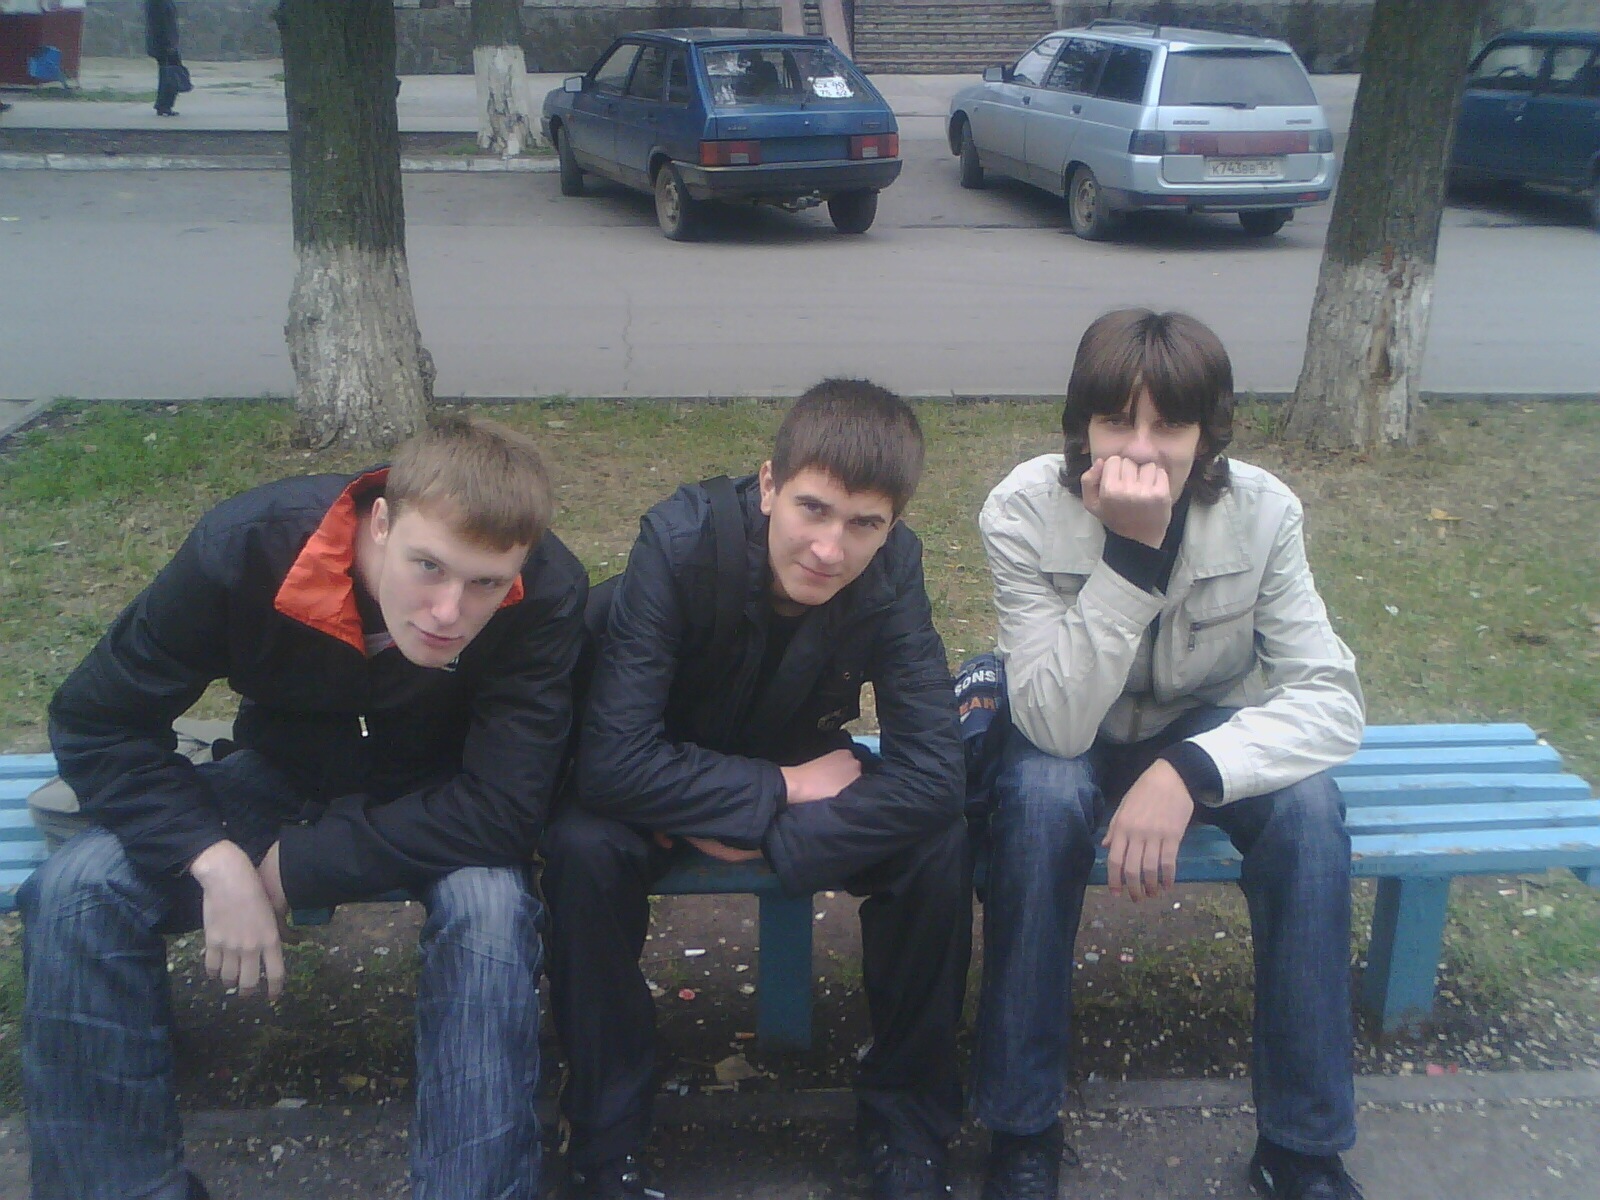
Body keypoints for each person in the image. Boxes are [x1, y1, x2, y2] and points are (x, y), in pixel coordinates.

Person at [20, 416, 587, 1200]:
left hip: (444, 799)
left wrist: (302, 865)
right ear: (380, 522)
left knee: (490, 912)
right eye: (427, 567)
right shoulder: (249, 548)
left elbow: (502, 808)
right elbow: (97, 720)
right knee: (78, 889)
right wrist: (210, 856)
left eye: (485, 583)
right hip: (282, 772)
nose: (448, 611)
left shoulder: (547, 588)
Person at [972, 310, 1366, 1200]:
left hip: (1199, 729)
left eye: (1171, 425)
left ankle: (1301, 1149)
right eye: (1117, 421)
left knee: (1310, 814)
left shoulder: (1264, 513)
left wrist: (1188, 771)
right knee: (1038, 803)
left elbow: (1331, 700)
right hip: (1071, 723)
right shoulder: (1023, 509)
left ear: (1208, 435)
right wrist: (1130, 559)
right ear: (1081, 426)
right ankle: (1021, 1130)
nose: (1142, 449)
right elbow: (1052, 722)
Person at [544, 380, 970, 1200]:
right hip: (662, 762)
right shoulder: (679, 540)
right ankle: (605, 1137)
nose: (830, 549)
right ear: (770, 484)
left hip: (766, 781)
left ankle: (908, 1127)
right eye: (813, 508)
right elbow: (613, 760)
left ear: (892, 526)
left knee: (936, 844)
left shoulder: (894, 570)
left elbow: (935, 775)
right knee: (582, 847)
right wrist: (778, 786)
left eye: (864, 524)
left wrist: (767, 826)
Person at [145, 0, 184, 116]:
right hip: (164, 43)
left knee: (167, 73)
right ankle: (164, 104)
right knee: (168, 74)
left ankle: (164, 104)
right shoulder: (159, 3)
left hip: (165, 42)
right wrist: (169, 43)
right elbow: (161, 24)